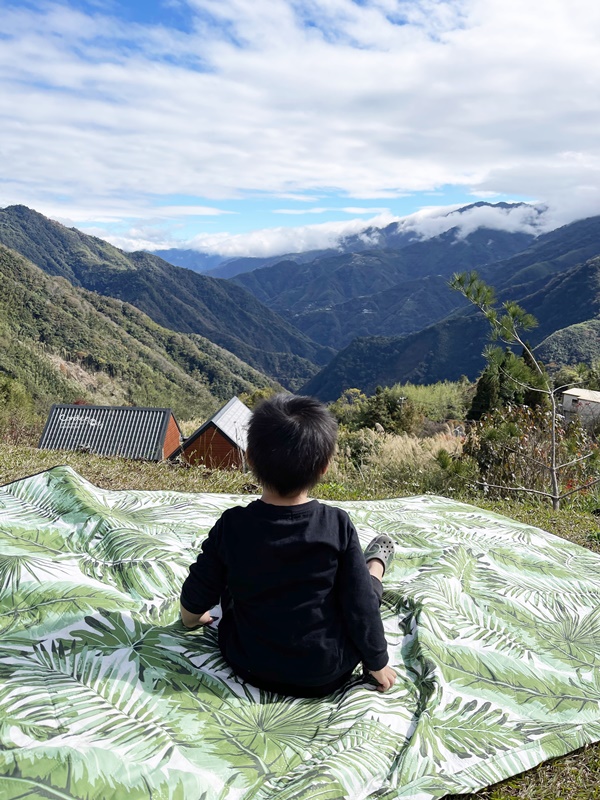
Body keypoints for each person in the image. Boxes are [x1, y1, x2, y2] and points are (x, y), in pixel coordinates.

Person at [180, 393, 396, 697]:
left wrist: (194, 618)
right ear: (323, 468)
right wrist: (378, 662)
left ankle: (371, 567)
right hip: (324, 673)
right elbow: (360, 607)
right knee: (364, 588)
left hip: (248, 663)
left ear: (249, 459)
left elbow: (194, 602)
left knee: (231, 589)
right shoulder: (336, 524)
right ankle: (375, 567)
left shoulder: (232, 525)